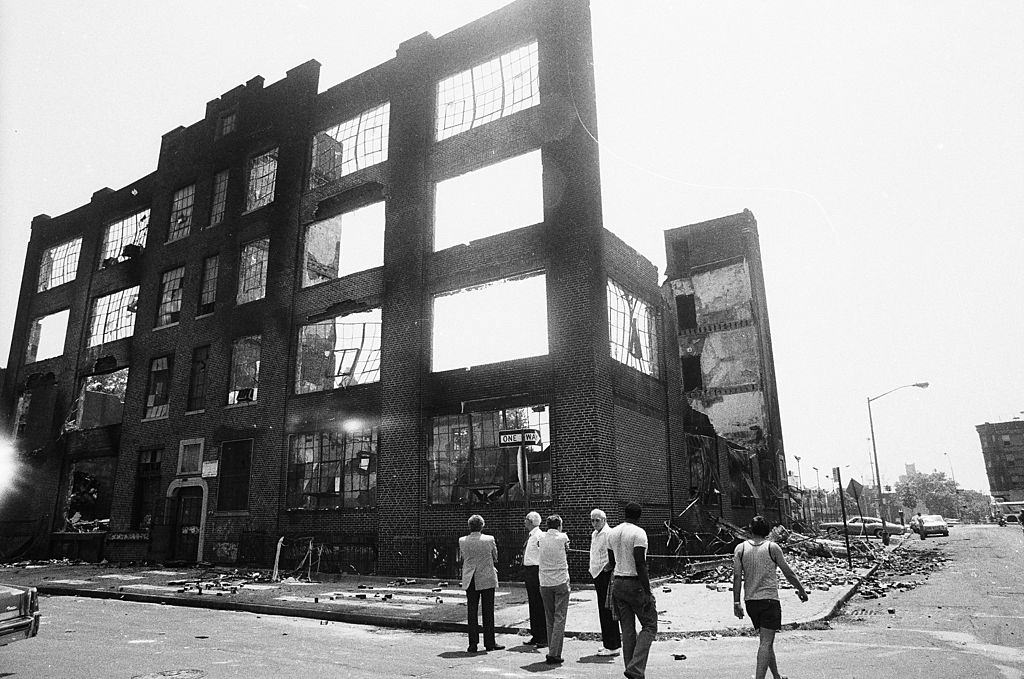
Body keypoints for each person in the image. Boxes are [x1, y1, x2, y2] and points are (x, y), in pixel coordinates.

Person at [732, 515, 809, 679]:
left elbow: (737, 577)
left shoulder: (740, 549)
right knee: (766, 642)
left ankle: (776, 676)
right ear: (767, 531)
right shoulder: (772, 548)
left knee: (766, 641)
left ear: (750, 530)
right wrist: (801, 590)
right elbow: (788, 572)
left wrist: (736, 602)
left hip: (751, 602)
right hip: (769, 601)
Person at [606, 502, 656, 679]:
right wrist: (647, 590)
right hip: (635, 583)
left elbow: (611, 562)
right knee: (650, 625)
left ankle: (631, 667)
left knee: (627, 629)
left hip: (618, 583)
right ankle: (635, 668)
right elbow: (640, 562)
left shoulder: (612, 533)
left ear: (624, 514)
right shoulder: (638, 533)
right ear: (639, 516)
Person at [458, 514, 504, 654]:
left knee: (472, 612)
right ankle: (490, 642)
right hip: (487, 577)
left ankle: (473, 644)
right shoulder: (489, 539)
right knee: (488, 611)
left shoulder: (462, 540)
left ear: (469, 526)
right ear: (482, 526)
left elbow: (463, 557)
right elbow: (495, 557)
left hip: (470, 578)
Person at [534, 514, 571, 665]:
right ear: (559, 525)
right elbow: (567, 549)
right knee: (560, 617)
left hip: (545, 581)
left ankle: (552, 649)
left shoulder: (541, 537)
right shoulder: (563, 537)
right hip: (561, 580)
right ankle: (554, 653)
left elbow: (538, 545)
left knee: (549, 617)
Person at [589, 508, 621, 657]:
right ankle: (608, 643)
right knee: (603, 609)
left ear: (604, 520)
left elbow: (614, 554)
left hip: (605, 574)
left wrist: (607, 568)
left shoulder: (609, 533)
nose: (594, 523)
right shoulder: (595, 534)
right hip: (596, 573)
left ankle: (613, 645)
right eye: (592, 520)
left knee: (608, 609)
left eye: (597, 520)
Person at [521, 511, 547, 647]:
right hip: (530, 572)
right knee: (533, 603)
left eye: (526, 520)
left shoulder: (539, 536)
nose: (524, 522)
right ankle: (536, 634)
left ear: (531, 522)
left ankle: (543, 636)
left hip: (536, 571)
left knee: (539, 604)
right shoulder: (532, 536)